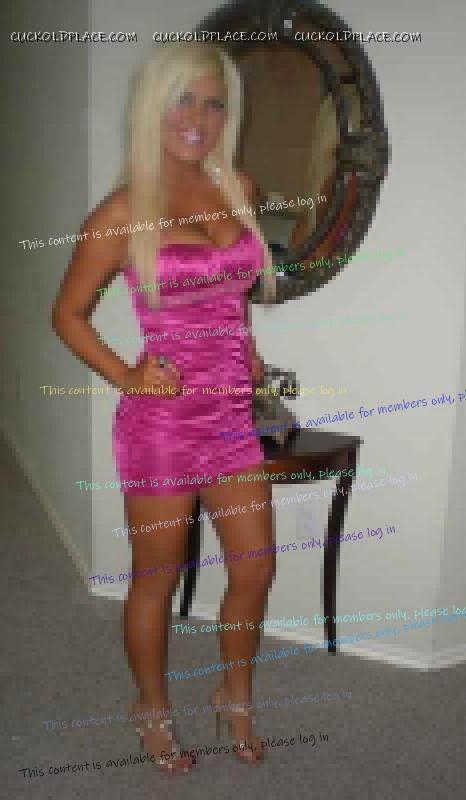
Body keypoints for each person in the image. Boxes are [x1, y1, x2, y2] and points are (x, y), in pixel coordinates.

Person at [52, 42, 278, 773]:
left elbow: (234, 293)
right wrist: (126, 374)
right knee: (158, 576)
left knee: (255, 570)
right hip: (162, 426)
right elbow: (67, 315)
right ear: (153, 107)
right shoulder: (122, 211)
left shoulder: (239, 186)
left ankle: (233, 694)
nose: (199, 117)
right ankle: (149, 706)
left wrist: (245, 350)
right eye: (184, 98)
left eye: (214, 103)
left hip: (232, 417)